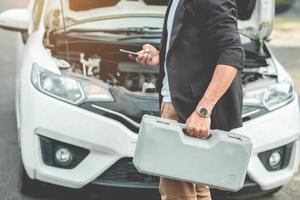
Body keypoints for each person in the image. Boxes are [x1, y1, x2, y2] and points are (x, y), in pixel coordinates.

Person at [131, 0, 245, 199]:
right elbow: (194, 45)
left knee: (176, 194)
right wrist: (161, 56)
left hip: (187, 111)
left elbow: (232, 52)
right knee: (197, 190)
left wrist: (203, 111)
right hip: (179, 103)